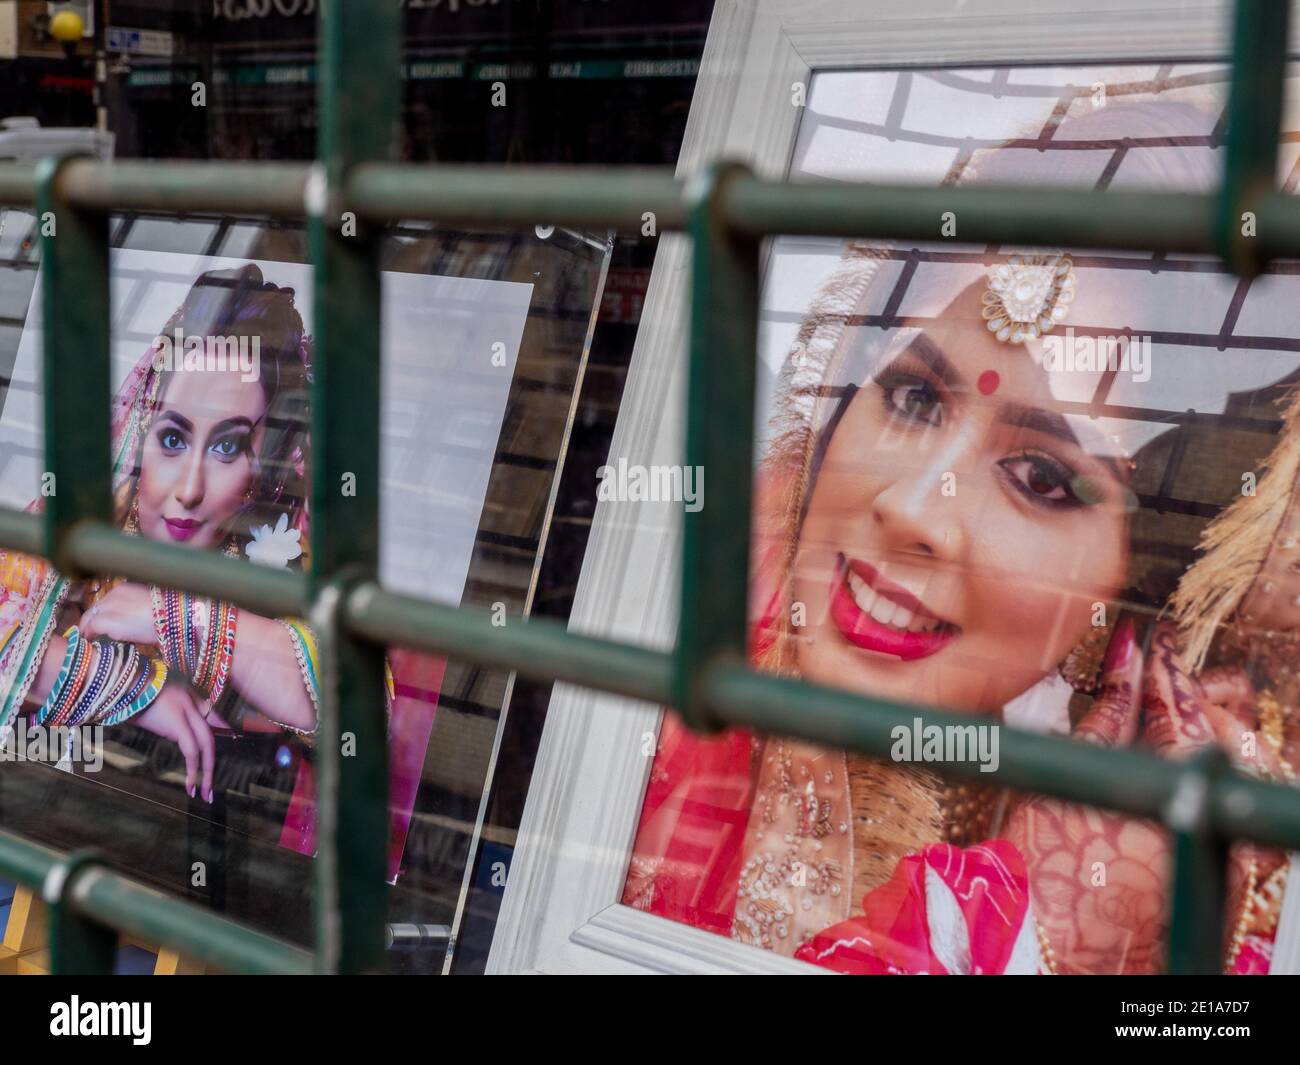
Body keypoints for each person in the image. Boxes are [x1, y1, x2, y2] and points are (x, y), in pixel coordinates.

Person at [622, 100, 1294, 973]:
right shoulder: (648, 681)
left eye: (1043, 478)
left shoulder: (1163, 883)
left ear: (1143, 584)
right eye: (911, 397)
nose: (912, 509)